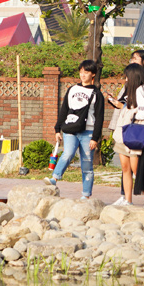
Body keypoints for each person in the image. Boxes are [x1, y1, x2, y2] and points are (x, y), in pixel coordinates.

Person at [106, 49, 144, 206]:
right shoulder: (130, 87)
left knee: (139, 170)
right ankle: (127, 199)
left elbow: (143, 111)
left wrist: (130, 110)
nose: (125, 78)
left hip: (137, 133)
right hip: (124, 131)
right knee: (125, 168)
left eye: (134, 59)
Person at [44, 60, 104, 199]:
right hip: (70, 129)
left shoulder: (96, 94)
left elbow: (99, 117)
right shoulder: (72, 89)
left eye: (86, 72)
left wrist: (95, 138)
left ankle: (86, 195)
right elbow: (64, 109)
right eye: (81, 71)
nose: (83, 75)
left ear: (93, 74)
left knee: (87, 164)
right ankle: (55, 178)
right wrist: (57, 129)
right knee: (68, 153)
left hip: (88, 132)